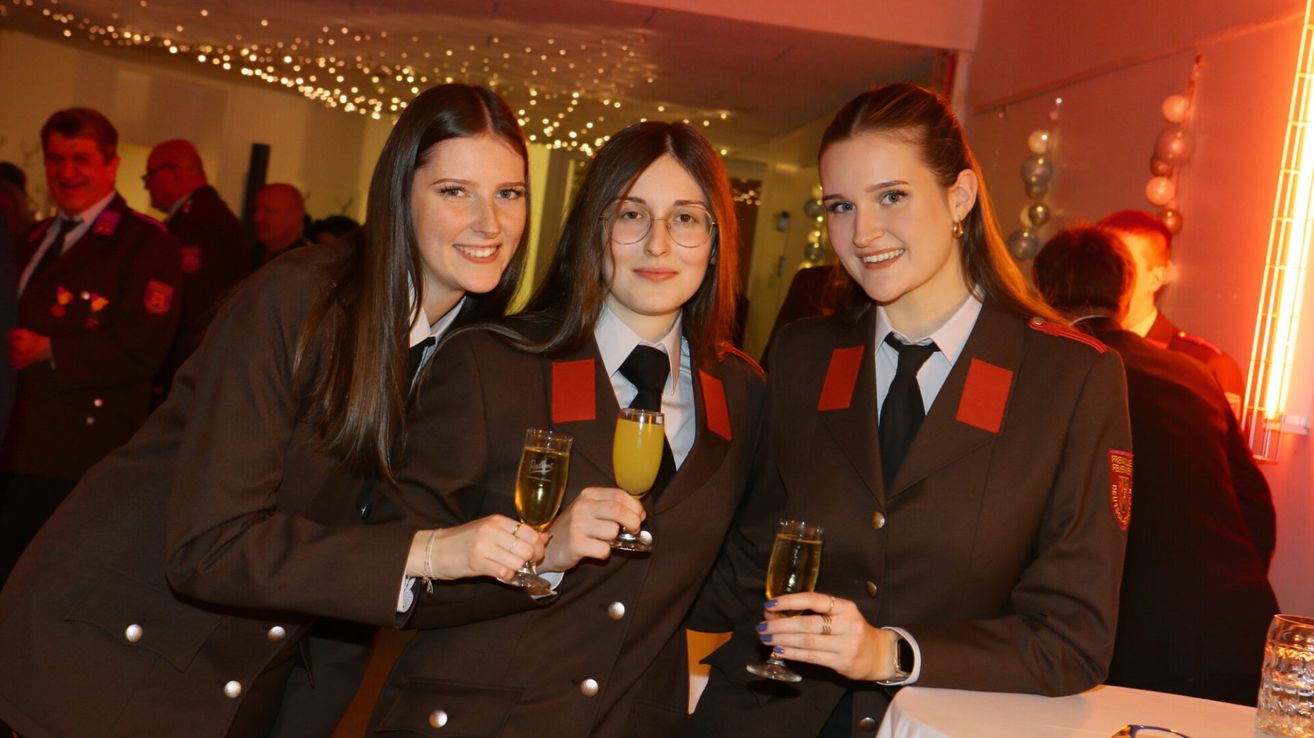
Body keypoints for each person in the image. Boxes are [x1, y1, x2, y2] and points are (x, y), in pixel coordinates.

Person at [0, 83, 544, 738]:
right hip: (106, 660)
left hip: (238, 681)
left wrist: (551, 551)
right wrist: (427, 551)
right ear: (401, 196)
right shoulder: (300, 301)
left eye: (508, 193)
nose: (491, 222)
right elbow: (212, 545)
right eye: (456, 191)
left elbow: (366, 580)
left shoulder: (466, 350)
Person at [689, 83, 1133, 737]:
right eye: (841, 206)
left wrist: (889, 653)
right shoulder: (804, 356)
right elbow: (751, 561)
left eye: (891, 197)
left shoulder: (1066, 380)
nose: (863, 233)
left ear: (959, 198)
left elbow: (1072, 639)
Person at [364, 121, 765, 737]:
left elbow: (720, 582)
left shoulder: (741, 392)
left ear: (716, 240)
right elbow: (397, 569)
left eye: (686, 218)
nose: (658, 245)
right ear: (593, 230)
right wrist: (542, 553)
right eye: (631, 215)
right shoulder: (493, 363)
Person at [1033, 225, 1278, 705]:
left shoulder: (1054, 370)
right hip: (1236, 628)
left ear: (1042, 293)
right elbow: (1256, 508)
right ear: (1125, 292)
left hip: (1127, 639)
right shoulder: (1192, 373)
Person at [0, 107, 183, 583]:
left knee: (43, 590)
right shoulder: (33, 238)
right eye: (56, 159)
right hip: (14, 444)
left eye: (80, 159)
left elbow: (145, 348)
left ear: (111, 165)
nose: (66, 172)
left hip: (78, 456)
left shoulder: (145, 243)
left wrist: (50, 350)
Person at [1098, 210, 1246, 416]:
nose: (1107, 279)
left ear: (1156, 279)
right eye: (1100, 267)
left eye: (1121, 268)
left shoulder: (1206, 366)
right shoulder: (1079, 348)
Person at [144, 138, 252, 401]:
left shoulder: (198, 223)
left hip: (189, 363)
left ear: (175, 173)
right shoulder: (204, 216)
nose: (146, 185)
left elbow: (196, 306)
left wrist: (168, 369)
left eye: (150, 176)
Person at [252, 182, 308, 267]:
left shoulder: (307, 264)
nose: (257, 218)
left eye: (268, 211)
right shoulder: (246, 256)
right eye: (255, 210)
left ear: (296, 215)